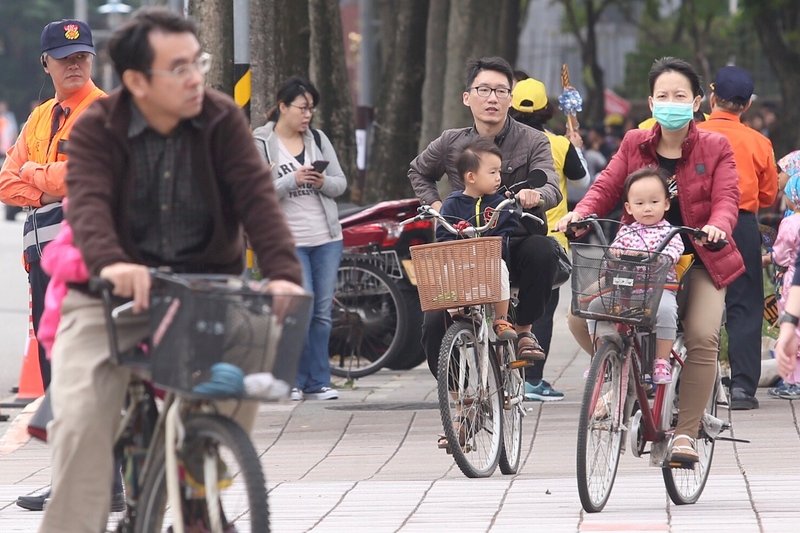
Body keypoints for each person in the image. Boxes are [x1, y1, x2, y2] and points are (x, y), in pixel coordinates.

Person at [39, 8, 304, 532]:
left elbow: (257, 202)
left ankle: (199, 467)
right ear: (137, 81)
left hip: (202, 290)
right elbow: (87, 206)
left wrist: (282, 274)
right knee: (82, 423)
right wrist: (113, 263)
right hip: (109, 294)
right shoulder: (99, 127)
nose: (194, 78)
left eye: (197, 63)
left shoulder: (221, 119)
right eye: (178, 68)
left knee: (254, 338)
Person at [557, 57, 743, 463]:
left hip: (699, 259)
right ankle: (620, 373)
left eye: (680, 95)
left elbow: (728, 199)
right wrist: (579, 213)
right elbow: (605, 186)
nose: (671, 102)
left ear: (697, 102)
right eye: (663, 96)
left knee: (702, 337)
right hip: (638, 262)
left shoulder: (716, 146)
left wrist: (718, 227)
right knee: (579, 314)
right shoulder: (632, 143)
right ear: (650, 102)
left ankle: (686, 434)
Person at [0, 18, 108, 513]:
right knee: (54, 371)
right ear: (46, 64)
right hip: (43, 266)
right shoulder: (40, 116)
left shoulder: (102, 112)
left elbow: (82, 174)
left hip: (86, 263)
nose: (75, 65)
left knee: (84, 370)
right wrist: (44, 182)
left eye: (82, 57)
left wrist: (35, 176)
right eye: (65, 60)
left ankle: (97, 483)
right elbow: (5, 182)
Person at [408, 56, 561, 379]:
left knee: (543, 249)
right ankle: (456, 396)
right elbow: (418, 171)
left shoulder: (534, 140)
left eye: (501, 91)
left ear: (511, 98)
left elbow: (551, 185)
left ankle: (523, 330)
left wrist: (537, 196)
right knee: (434, 320)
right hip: (464, 247)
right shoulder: (451, 141)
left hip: (514, 242)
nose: (492, 98)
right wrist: (436, 206)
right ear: (467, 97)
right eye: (484, 89)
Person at [253, 76, 347, 401]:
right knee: (298, 308)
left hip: (326, 237)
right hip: (287, 240)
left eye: (311, 109)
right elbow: (255, 190)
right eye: (302, 108)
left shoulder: (318, 139)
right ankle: (290, 378)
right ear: (282, 106)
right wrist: (290, 180)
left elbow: (340, 183)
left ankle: (317, 381)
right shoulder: (261, 142)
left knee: (321, 312)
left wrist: (320, 182)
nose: (307, 115)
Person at [696, 65, 778, 410]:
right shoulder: (759, 142)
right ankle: (743, 388)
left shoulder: (693, 134)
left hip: (696, 223)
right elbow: (769, 196)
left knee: (691, 297)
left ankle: (689, 383)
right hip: (740, 225)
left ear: (712, 98)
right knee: (745, 303)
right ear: (745, 106)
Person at [509, 76, 588, 401]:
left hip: (507, 236)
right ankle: (532, 380)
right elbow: (583, 185)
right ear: (547, 110)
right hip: (551, 240)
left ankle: (509, 378)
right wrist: (577, 150)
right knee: (539, 311)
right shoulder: (558, 144)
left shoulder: (503, 143)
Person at [585, 168, 684, 384]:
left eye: (654, 202)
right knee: (593, 308)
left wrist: (655, 256)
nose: (647, 208)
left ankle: (661, 359)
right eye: (639, 204)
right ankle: (601, 355)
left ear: (666, 203)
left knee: (667, 312)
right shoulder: (626, 232)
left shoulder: (669, 232)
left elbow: (673, 253)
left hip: (659, 291)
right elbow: (612, 253)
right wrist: (615, 254)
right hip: (626, 290)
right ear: (629, 208)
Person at [436, 139, 518, 342]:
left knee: (499, 266)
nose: (498, 177)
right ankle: (457, 314)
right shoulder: (452, 204)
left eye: (499, 172)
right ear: (471, 177)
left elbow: (507, 230)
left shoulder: (501, 203)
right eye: (492, 172)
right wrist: (453, 238)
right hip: (461, 263)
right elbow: (443, 235)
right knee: (446, 271)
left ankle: (501, 319)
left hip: (489, 262)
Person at [763, 174, 800, 399]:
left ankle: (792, 381)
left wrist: (768, 258)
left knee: (793, 328)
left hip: (792, 282)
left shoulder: (790, 223)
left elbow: (782, 255)